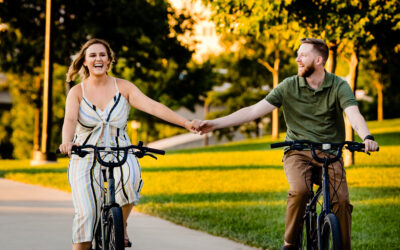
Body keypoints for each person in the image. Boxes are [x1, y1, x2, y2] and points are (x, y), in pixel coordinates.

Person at [198, 38, 379, 250]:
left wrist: (366, 136)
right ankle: (290, 244)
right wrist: (215, 124)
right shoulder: (288, 86)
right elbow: (253, 111)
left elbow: (353, 114)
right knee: (300, 191)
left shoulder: (339, 85)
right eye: (298, 55)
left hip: (330, 152)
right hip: (297, 152)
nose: (297, 59)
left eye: (303, 55)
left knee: (341, 201)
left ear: (319, 60)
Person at [59, 38, 200, 250]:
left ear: (109, 60)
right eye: (93, 55)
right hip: (85, 153)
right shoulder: (76, 92)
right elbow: (70, 119)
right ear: (85, 62)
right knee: (86, 215)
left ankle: (121, 224)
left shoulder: (123, 87)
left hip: (120, 150)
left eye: (102, 55)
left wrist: (186, 123)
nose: (98, 58)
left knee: (132, 178)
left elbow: (153, 107)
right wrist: (67, 142)